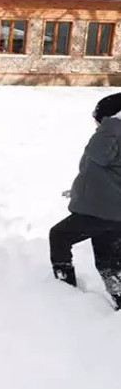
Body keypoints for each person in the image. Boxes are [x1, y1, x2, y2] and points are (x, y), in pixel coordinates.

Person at [50, 93, 121, 311]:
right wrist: (78, 191)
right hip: (109, 212)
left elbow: (98, 155)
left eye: (98, 120)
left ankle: (64, 292)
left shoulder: (111, 135)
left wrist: (113, 123)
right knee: (108, 264)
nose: (96, 125)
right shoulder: (112, 139)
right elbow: (100, 173)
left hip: (102, 212)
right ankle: (119, 301)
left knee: (59, 236)